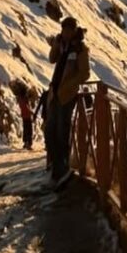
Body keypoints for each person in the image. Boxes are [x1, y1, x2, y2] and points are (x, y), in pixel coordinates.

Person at [46, 17, 90, 189]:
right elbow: (51, 59)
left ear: (74, 30)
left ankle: (63, 168)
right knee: (50, 132)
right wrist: (56, 45)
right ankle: (57, 167)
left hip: (67, 95)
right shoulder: (62, 45)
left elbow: (84, 73)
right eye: (63, 30)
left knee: (61, 131)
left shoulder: (80, 48)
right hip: (55, 93)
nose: (65, 33)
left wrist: (69, 85)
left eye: (68, 30)